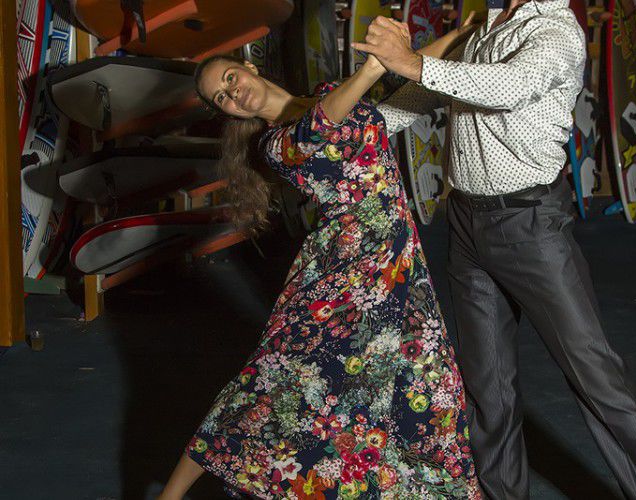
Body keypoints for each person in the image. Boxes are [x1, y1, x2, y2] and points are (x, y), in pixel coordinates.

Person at [356, 1, 636, 499]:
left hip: (530, 225)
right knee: (487, 386)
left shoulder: (555, 30)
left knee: (595, 375)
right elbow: (424, 95)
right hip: (466, 225)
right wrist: (348, 130)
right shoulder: (485, 25)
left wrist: (411, 61)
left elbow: (508, 87)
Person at [157, 18, 486, 500]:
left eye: (230, 78)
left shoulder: (332, 93)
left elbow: (408, 83)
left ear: (249, 67)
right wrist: (373, 67)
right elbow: (322, 125)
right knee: (271, 386)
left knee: (431, 394)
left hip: (398, 270)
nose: (233, 93)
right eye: (221, 98)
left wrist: (462, 33)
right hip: (342, 277)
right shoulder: (276, 144)